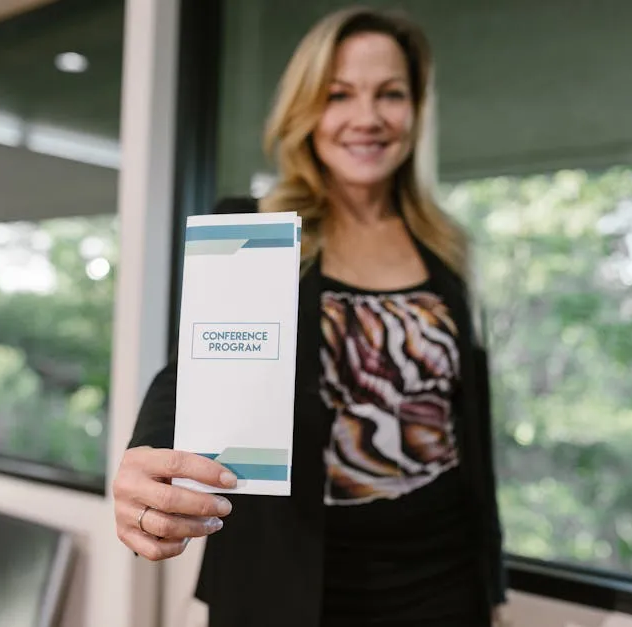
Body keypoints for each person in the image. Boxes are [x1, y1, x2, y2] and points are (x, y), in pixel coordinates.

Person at [113, 6, 507, 627]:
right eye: (339, 94)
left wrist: (493, 591)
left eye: (391, 95)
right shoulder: (254, 227)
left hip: (443, 583)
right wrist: (147, 453)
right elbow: (192, 370)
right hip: (292, 584)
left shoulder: (446, 247)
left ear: (416, 110)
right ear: (306, 110)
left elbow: (471, 425)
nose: (368, 118)